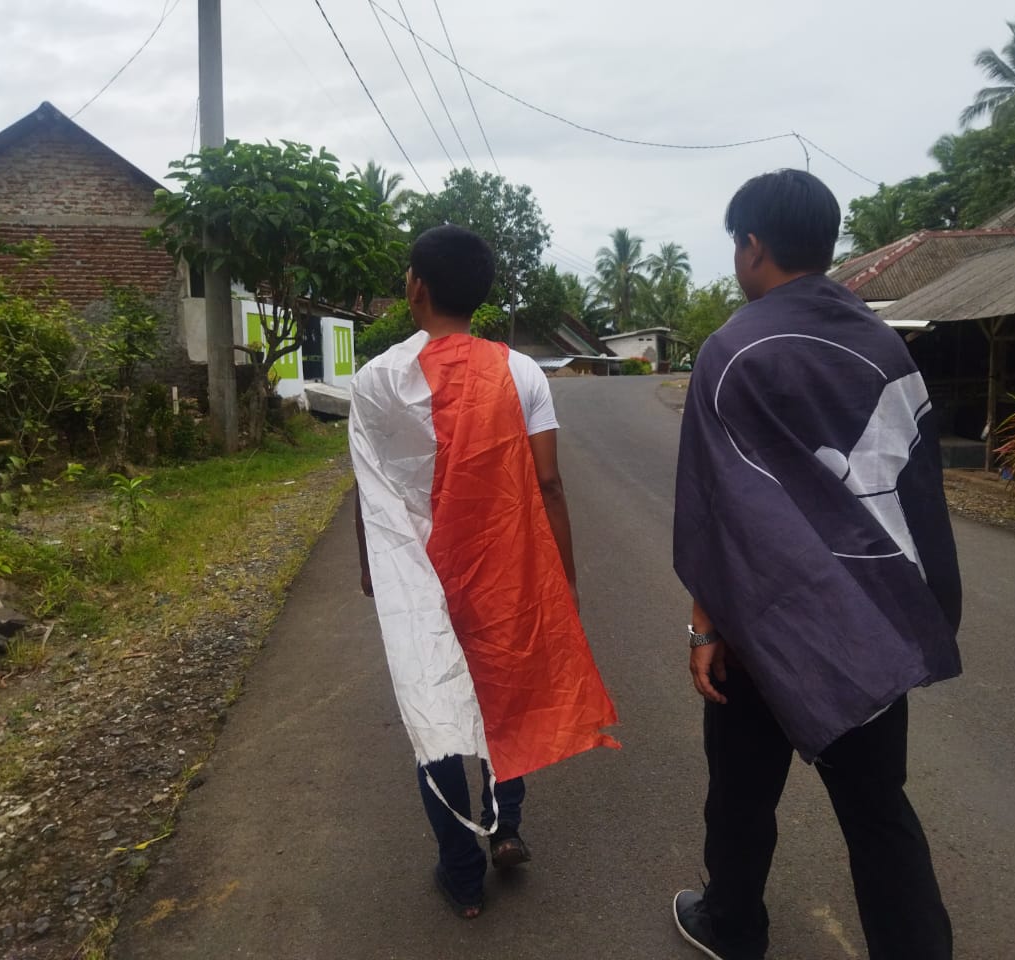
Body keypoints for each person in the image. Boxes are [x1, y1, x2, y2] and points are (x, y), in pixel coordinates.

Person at [671, 170, 963, 960]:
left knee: (740, 794)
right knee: (877, 809)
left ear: (752, 245)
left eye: (737, 243)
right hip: (869, 621)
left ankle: (732, 926)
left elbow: (721, 502)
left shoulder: (732, 351)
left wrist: (704, 624)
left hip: (764, 621)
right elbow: (915, 489)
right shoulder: (883, 345)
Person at [349, 225, 618, 920]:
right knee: (506, 691)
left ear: (416, 288)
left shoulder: (379, 380)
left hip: (421, 576)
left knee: (433, 703)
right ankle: (506, 828)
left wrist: (372, 569)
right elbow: (549, 484)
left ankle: (460, 874)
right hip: (505, 570)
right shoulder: (521, 372)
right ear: (482, 295)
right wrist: (565, 578)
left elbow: (372, 489)